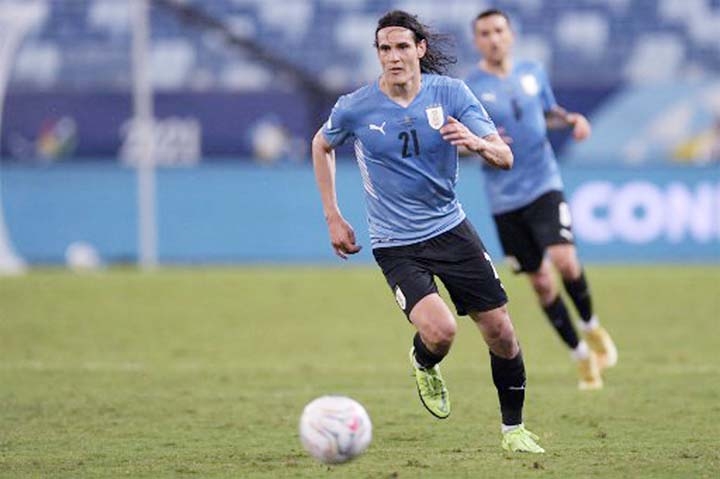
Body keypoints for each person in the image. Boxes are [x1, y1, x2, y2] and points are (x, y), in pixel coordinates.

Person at [311, 10, 544, 453]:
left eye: (402, 47)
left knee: (502, 332)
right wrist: (333, 215)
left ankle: (514, 432)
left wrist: (477, 144)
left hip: (450, 229)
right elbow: (321, 144)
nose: (393, 57)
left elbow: (504, 156)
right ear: (378, 54)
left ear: (420, 49)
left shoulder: (452, 94)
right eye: (384, 49)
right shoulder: (356, 107)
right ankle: (424, 361)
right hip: (395, 242)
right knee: (441, 332)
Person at [465, 9, 617, 390]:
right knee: (542, 285)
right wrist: (482, 144)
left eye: (499, 30)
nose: (493, 38)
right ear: (476, 41)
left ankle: (591, 327)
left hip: (543, 182)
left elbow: (546, 111)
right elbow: (462, 145)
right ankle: (581, 356)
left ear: (511, 35)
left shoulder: (532, 72)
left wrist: (571, 120)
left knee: (565, 260)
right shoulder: (469, 88)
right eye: (485, 33)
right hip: (504, 199)